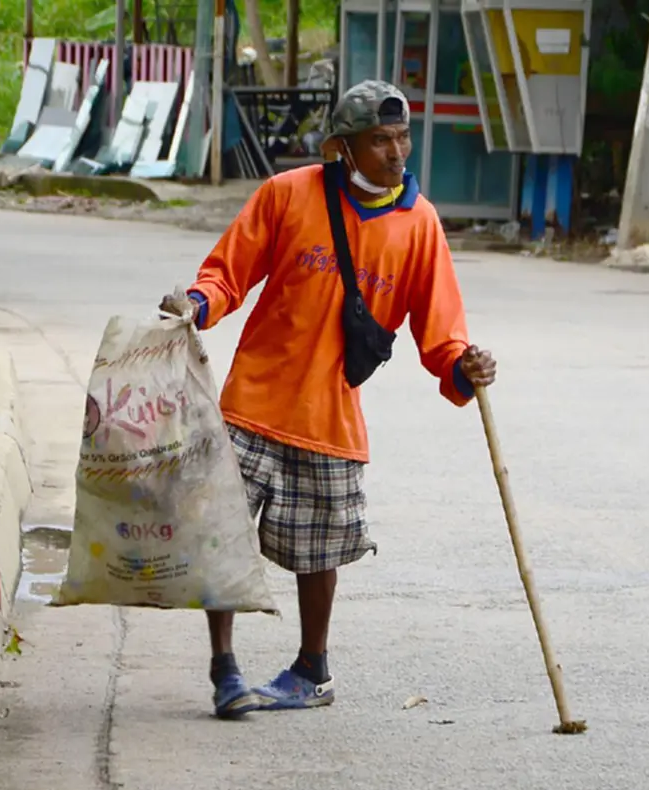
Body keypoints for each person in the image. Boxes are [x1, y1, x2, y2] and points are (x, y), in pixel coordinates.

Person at [159, 80, 497, 719]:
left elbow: (441, 334)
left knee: (319, 552)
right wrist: (197, 306)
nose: (396, 153)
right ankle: (224, 667)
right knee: (223, 537)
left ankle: (312, 668)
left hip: (331, 415)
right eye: (379, 141)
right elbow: (227, 272)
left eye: (402, 139)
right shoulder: (287, 195)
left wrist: (463, 368)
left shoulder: (418, 224)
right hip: (252, 402)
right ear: (342, 148)